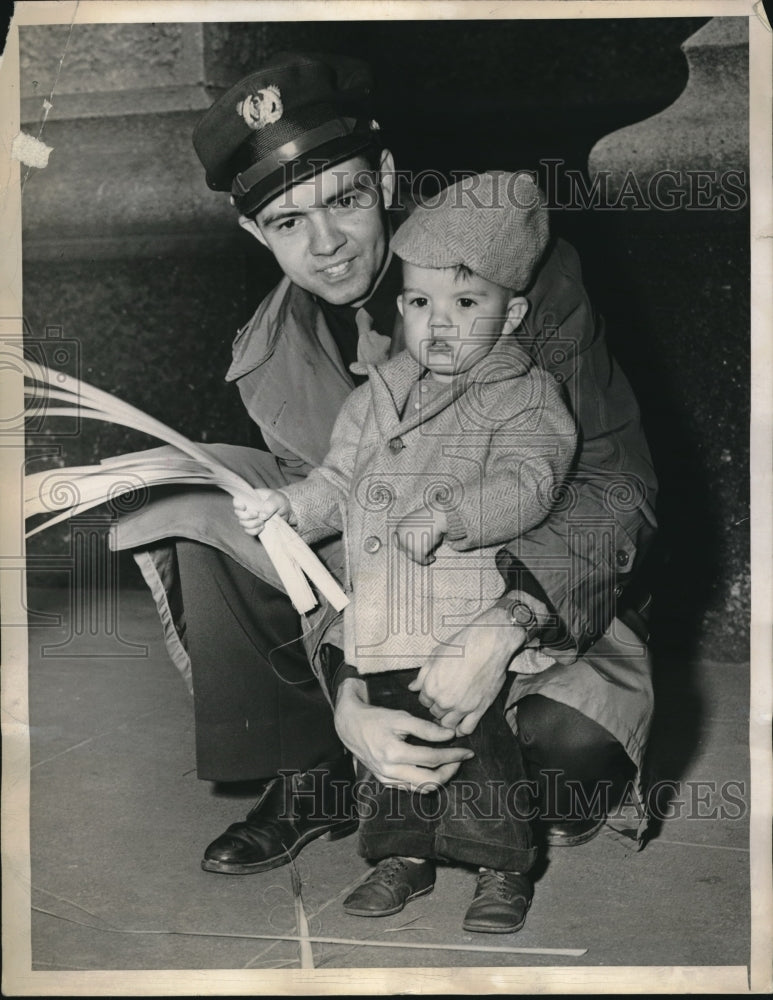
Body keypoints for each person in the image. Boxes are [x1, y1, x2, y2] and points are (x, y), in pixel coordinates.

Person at [112, 52, 658, 920]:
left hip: (518, 584)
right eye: (288, 221)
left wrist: (503, 629)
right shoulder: (268, 355)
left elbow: (614, 484)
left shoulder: (507, 277)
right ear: (255, 235)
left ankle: (449, 767)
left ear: (388, 180)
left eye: (345, 199)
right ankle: (314, 769)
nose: (325, 243)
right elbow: (325, 547)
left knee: (561, 767)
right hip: (381, 613)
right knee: (204, 506)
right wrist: (349, 699)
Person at [232, 171, 576, 932]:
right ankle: (400, 855)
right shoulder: (376, 393)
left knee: (475, 748)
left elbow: (532, 477)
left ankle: (501, 866)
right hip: (382, 618)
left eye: (465, 304)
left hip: (460, 617)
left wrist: (453, 514)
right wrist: (287, 505)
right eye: (419, 304)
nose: (438, 325)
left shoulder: (522, 392)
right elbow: (336, 478)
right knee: (390, 756)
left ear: (511, 311)